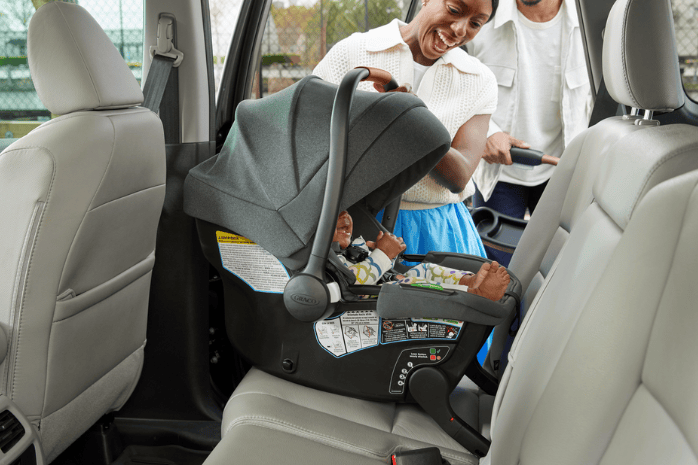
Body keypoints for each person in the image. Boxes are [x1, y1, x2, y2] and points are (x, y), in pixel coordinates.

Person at [313, 0, 501, 261]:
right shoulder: (354, 52)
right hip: (354, 223)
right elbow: (311, 139)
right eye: (454, 10)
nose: (460, 29)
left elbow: (459, 176)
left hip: (437, 230)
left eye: (476, 23)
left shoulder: (479, 80)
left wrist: (412, 119)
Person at [469, 0, 592, 265]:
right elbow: (457, 87)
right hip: (499, 174)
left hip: (563, 172)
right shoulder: (481, 18)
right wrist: (487, 132)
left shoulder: (589, 26)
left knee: (560, 268)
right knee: (496, 273)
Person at [333, 211, 510, 301]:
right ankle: (474, 295)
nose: (345, 215)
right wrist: (383, 254)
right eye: (335, 213)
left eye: (345, 209)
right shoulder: (328, 261)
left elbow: (378, 268)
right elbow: (352, 282)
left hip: (387, 282)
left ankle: (468, 281)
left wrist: (384, 253)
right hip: (375, 299)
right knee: (407, 284)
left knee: (425, 269)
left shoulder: (356, 245)